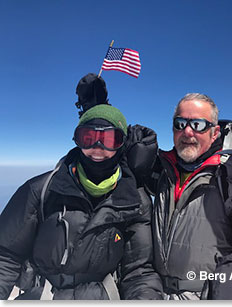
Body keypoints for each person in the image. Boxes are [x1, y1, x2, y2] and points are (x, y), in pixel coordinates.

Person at [0, 104, 163, 300]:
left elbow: (139, 271)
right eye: (88, 138)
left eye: (109, 139)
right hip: (42, 297)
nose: (97, 148)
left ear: (121, 145)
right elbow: (6, 255)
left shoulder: (134, 201)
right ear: (77, 141)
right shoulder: (42, 190)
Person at [149, 93, 232, 300]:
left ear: (214, 133)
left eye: (197, 124)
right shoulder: (161, 170)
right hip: (156, 294)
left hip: (206, 296)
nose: (187, 132)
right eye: (180, 123)